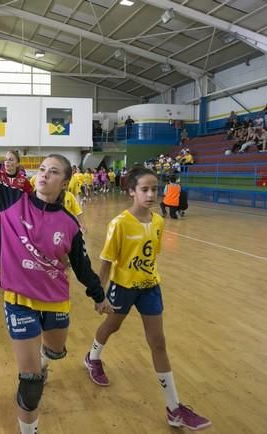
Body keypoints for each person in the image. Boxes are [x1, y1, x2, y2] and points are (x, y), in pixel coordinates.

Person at [0, 114, 112, 434]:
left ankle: (46, 356)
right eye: (42, 169)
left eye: (53, 172)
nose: (44, 175)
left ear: (65, 182)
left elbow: (83, 267)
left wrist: (99, 296)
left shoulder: (70, 224)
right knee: (30, 381)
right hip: (19, 301)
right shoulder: (11, 200)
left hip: (56, 301)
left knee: (55, 353)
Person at [84, 167, 211, 431]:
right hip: (123, 286)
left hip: (151, 287)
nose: (151, 194)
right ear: (131, 191)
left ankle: (174, 407)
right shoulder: (119, 223)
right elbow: (106, 262)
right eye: (145, 189)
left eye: (155, 188)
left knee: (159, 342)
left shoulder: (158, 222)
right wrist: (100, 295)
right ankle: (92, 357)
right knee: (112, 326)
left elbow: (151, 256)